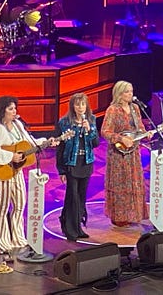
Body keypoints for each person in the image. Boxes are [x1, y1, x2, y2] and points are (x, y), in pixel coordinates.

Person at [0, 95, 58, 255]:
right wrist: (11, 157)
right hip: (0, 169)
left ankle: (16, 238)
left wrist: (47, 141)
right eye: (10, 109)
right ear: (2, 111)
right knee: (2, 206)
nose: (14, 111)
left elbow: (29, 142)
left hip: (15, 170)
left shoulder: (17, 125)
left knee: (19, 203)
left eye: (15, 108)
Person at [101, 80, 152, 227]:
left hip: (133, 153)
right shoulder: (113, 110)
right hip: (118, 154)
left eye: (131, 91)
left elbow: (140, 127)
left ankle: (132, 213)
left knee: (133, 183)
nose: (131, 94)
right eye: (127, 92)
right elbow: (105, 131)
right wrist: (121, 138)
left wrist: (145, 133)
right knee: (120, 184)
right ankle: (118, 216)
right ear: (119, 94)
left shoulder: (135, 108)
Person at [55, 93, 99, 241]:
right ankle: (70, 230)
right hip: (71, 164)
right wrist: (61, 170)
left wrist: (90, 130)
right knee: (72, 196)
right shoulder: (64, 123)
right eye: (77, 104)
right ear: (72, 106)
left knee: (81, 197)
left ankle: (77, 227)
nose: (81, 108)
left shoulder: (91, 120)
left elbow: (96, 144)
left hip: (85, 163)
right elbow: (60, 149)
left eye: (83, 104)